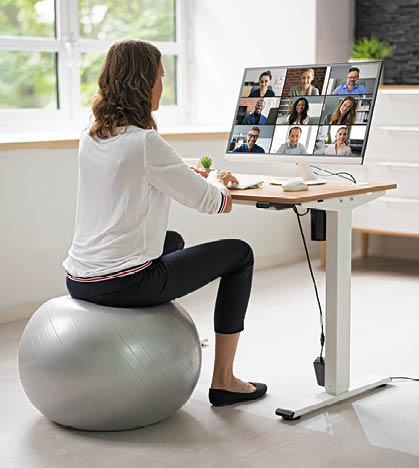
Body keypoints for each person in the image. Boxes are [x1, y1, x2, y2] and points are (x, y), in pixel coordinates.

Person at [63, 39, 267, 407]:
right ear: (143, 82)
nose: (163, 84)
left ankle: (165, 338)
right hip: (122, 284)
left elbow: (136, 174)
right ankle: (224, 380)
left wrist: (181, 172)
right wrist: (217, 178)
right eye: (160, 76)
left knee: (171, 240)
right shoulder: (145, 143)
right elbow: (216, 203)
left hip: (79, 279)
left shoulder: (91, 136)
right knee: (240, 254)